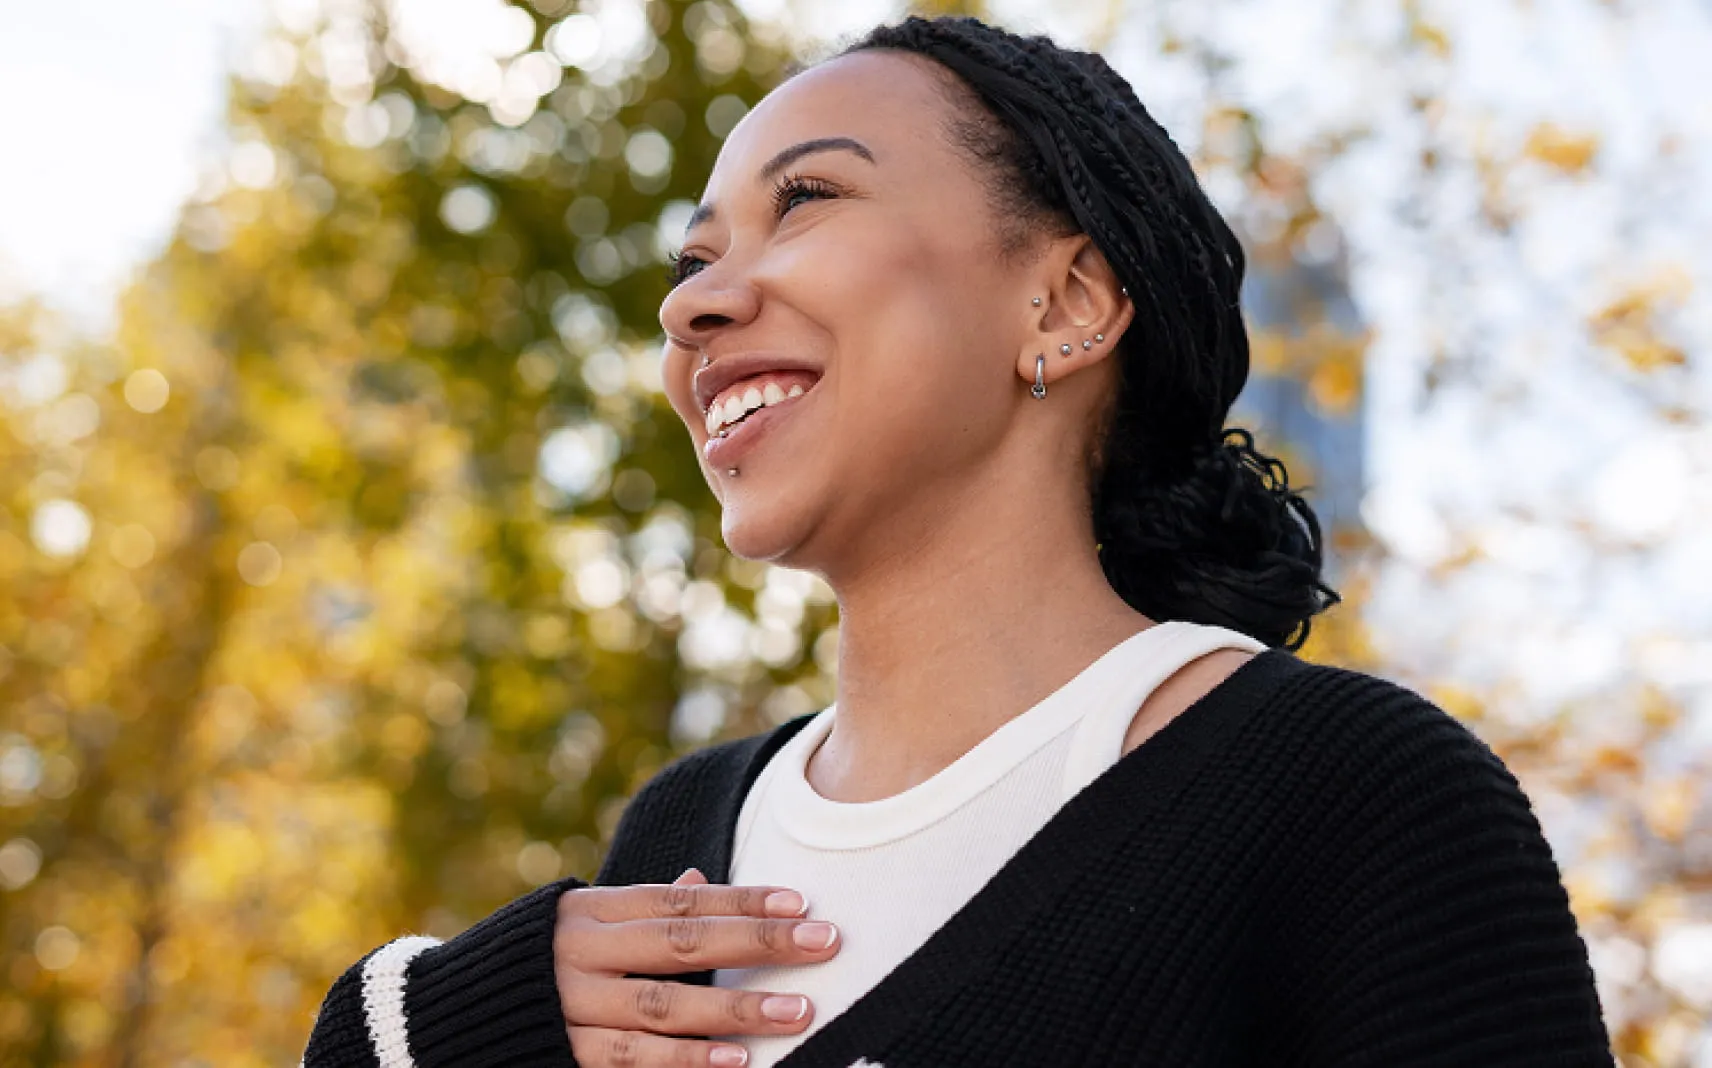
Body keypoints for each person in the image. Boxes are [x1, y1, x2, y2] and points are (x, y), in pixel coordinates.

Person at [303, 14, 1613, 1068]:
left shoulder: (1357, 797)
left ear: (1066, 303)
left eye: (806, 198)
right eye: (690, 261)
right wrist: (437, 1034)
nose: (697, 301)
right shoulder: (679, 835)